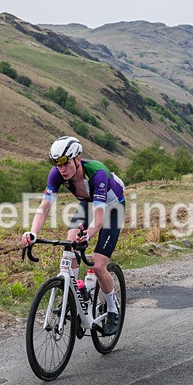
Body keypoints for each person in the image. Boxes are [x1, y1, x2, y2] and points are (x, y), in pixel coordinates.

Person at [21, 136, 126, 335]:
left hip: (112, 208)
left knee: (97, 264)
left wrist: (88, 236)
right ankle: (77, 292)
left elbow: (99, 219)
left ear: (78, 158)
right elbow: (44, 207)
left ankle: (113, 308)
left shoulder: (97, 174)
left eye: (66, 163)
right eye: (56, 164)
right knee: (69, 245)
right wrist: (33, 232)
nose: (61, 169)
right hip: (87, 204)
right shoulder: (57, 174)